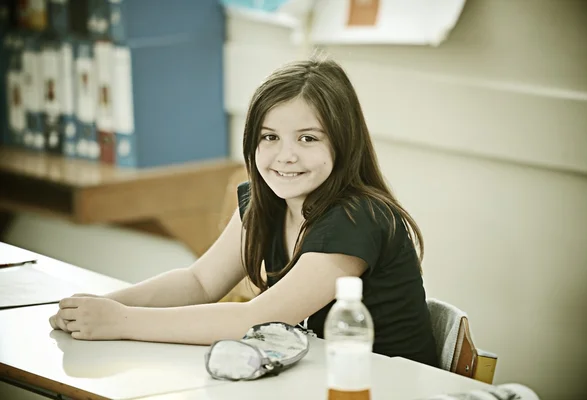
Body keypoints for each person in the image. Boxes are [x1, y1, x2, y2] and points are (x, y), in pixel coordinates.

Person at [49, 55, 439, 368]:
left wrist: (122, 323)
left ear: (343, 144)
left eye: (308, 138)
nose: (286, 155)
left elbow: (255, 320)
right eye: (270, 137)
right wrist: (103, 306)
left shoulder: (359, 218)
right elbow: (199, 282)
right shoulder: (263, 200)